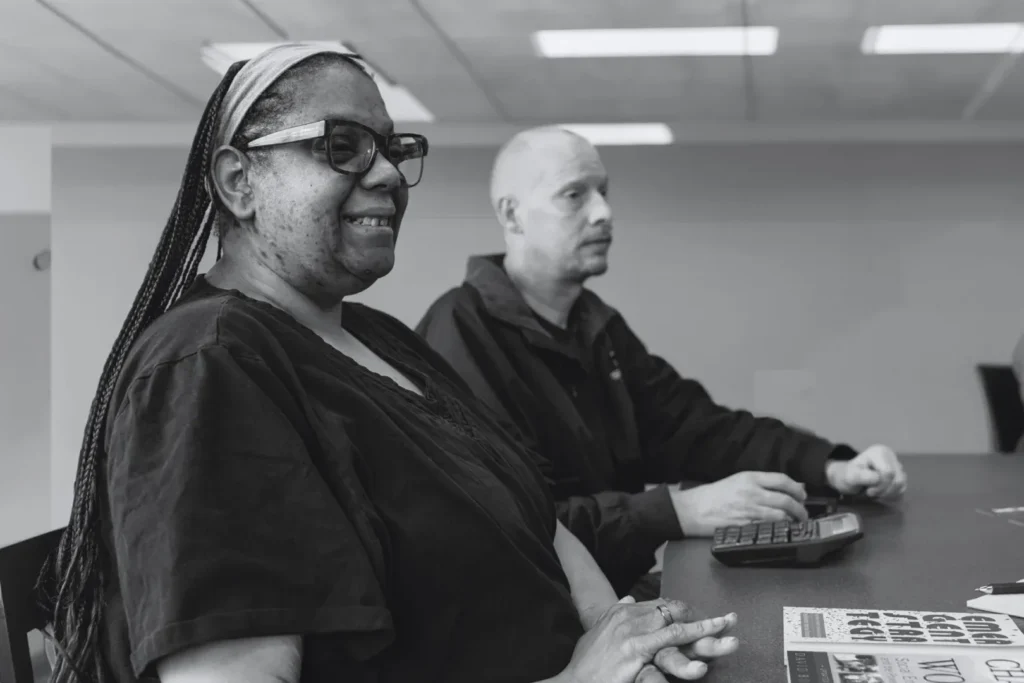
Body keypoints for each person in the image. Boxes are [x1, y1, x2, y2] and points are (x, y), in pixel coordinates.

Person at [35, 45, 742, 683]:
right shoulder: (209, 368)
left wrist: (622, 633)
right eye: (340, 145)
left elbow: (537, 522)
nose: (386, 173)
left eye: (392, 148)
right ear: (239, 180)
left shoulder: (379, 335)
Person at [415, 125, 909, 599]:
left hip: (609, 595)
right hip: (528, 622)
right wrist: (676, 511)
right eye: (575, 195)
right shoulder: (459, 334)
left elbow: (699, 430)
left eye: (604, 191)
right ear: (512, 216)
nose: (604, 211)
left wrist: (830, 464)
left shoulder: (595, 326)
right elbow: (513, 520)